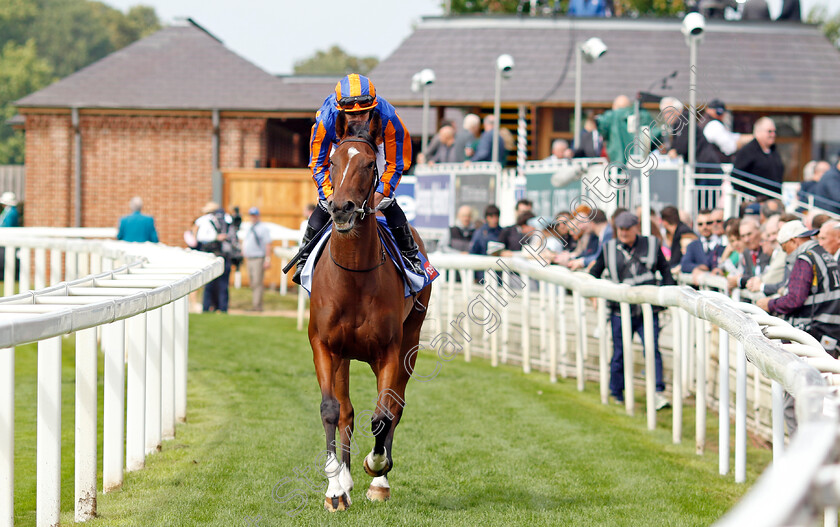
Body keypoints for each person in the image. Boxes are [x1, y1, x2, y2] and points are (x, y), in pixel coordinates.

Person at [294, 74, 417, 285]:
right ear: (341, 111)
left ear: (373, 107)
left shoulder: (388, 118)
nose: (358, 119)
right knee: (325, 203)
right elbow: (317, 163)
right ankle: (303, 257)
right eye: (352, 114)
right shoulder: (327, 119)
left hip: (375, 147)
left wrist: (382, 192)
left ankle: (411, 256)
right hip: (340, 144)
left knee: (387, 200)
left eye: (363, 113)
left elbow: (396, 162)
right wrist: (329, 194)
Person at [756, 220, 840, 434]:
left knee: (793, 404)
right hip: (830, 334)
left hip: (814, 335)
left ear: (793, 241)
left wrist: (769, 304)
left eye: (784, 249)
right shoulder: (824, 254)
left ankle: (803, 457)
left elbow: (794, 299)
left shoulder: (804, 258)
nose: (786, 255)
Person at [589, 212, 674, 409]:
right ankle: (616, 391)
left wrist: (667, 297)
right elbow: (594, 273)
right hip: (621, 311)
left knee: (652, 350)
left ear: (636, 227)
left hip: (647, 311)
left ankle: (657, 392)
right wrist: (594, 295)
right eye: (621, 229)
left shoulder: (652, 244)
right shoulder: (609, 248)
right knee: (620, 352)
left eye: (628, 229)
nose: (624, 233)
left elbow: (665, 270)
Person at [195, 201, 235, 313]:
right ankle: (219, 308)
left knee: (213, 284)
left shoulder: (206, 221)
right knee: (217, 285)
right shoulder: (225, 220)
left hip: (214, 256)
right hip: (220, 256)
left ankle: (210, 308)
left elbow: (200, 238)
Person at [733, 117, 785, 199]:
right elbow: (737, 177)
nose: (773, 135)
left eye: (774, 131)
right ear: (758, 132)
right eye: (769, 131)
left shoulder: (774, 151)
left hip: (774, 199)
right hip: (753, 201)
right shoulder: (747, 151)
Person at [680, 209, 725, 280]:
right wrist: (698, 268)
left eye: (708, 223)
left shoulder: (723, 243)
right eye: (700, 224)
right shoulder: (692, 245)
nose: (704, 227)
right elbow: (685, 265)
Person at [243, 207, 272, 312]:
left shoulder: (262, 228)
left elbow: (268, 244)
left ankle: (257, 306)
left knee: (257, 282)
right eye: (251, 215)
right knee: (252, 282)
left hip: (258, 258)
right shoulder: (250, 227)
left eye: (254, 215)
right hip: (250, 258)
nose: (253, 217)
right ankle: (255, 304)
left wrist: (267, 259)